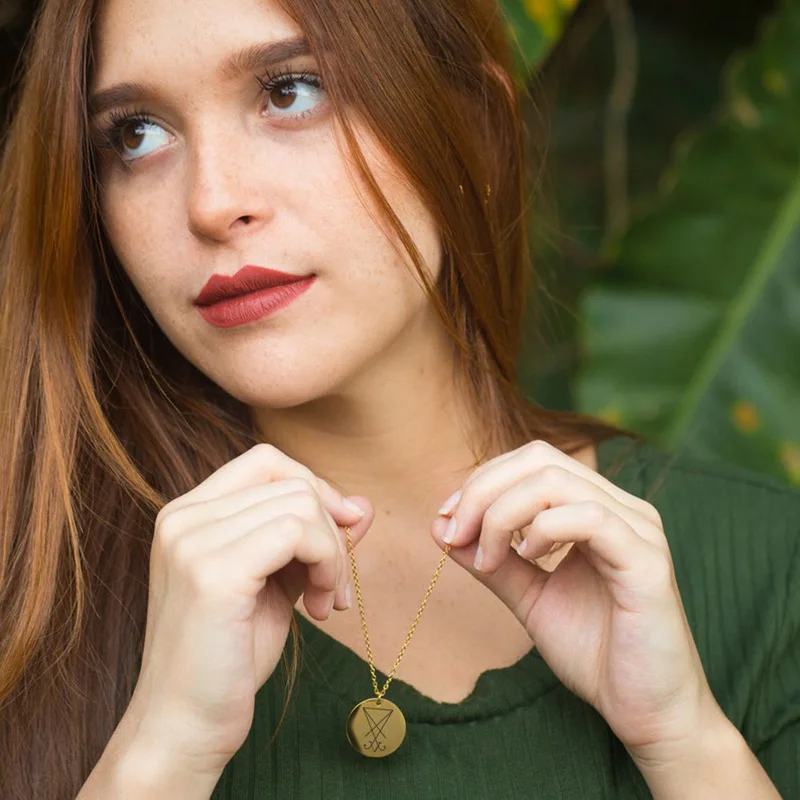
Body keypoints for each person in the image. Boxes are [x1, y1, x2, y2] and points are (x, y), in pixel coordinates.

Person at [0, 0, 796, 797]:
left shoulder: (765, 570)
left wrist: (688, 743)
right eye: (135, 135)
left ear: (472, 125)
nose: (210, 203)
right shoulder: (32, 606)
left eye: (290, 91)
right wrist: (158, 754)